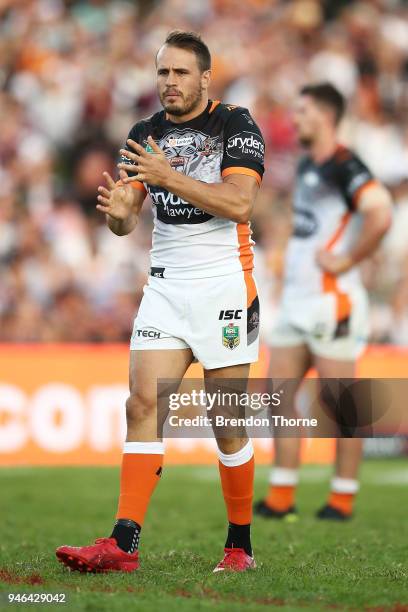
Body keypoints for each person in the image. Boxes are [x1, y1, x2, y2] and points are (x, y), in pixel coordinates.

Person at [56, 30, 264, 573]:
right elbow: (124, 222)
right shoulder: (143, 133)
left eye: (180, 73)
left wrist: (168, 176)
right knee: (142, 404)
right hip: (166, 287)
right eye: (162, 73)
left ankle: (239, 545)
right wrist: (120, 210)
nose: (169, 82)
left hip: (223, 284)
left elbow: (240, 203)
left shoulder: (235, 123)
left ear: (204, 77)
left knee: (226, 417)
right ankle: (123, 544)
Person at [255, 83, 391, 521]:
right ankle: (281, 495)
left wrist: (350, 257)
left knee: (339, 405)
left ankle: (343, 498)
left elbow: (381, 211)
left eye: (303, 111)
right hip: (297, 301)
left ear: (327, 117)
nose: (294, 119)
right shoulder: (308, 165)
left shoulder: (344, 164)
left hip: (331, 303)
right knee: (280, 397)